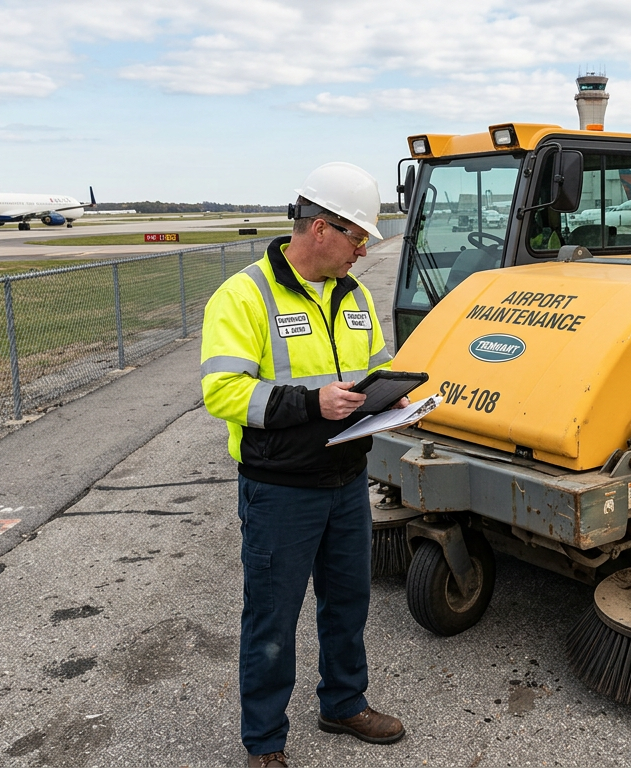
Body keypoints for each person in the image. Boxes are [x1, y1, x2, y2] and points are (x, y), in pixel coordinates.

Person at [201, 162, 406, 768]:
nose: (363, 251)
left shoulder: (355, 296)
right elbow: (223, 393)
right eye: (356, 237)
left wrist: (394, 400)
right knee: (272, 619)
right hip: (280, 489)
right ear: (320, 229)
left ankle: (343, 703)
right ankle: (264, 743)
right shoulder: (244, 295)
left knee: (348, 603)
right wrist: (311, 402)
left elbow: (374, 368)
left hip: (345, 482)